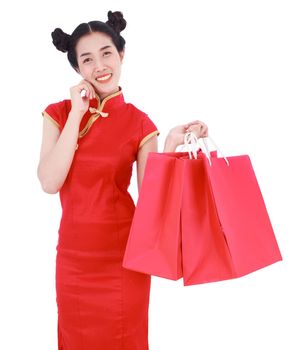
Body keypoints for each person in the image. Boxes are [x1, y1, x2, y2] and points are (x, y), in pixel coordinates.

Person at [37, 10, 208, 350]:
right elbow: (49, 181)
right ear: (77, 69)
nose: (99, 66)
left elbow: (151, 205)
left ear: (121, 55)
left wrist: (171, 144)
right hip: (74, 262)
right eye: (87, 59)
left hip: (123, 261)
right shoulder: (58, 114)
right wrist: (76, 112)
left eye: (106, 53)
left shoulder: (140, 124)